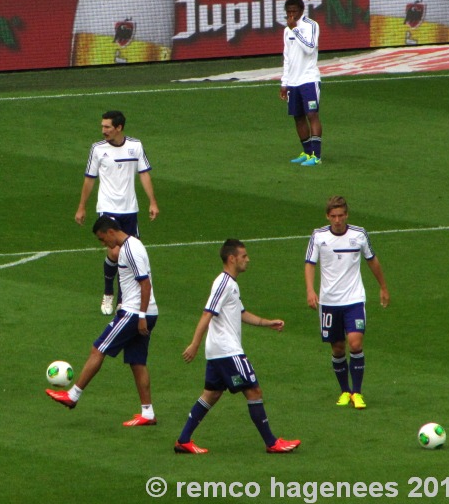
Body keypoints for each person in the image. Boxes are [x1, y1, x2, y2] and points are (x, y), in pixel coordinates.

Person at [174, 239, 301, 455]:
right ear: (232, 258)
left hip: (218, 352)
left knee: (211, 395)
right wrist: (194, 343)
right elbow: (207, 313)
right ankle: (272, 442)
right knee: (253, 390)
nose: (247, 260)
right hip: (227, 351)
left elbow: (241, 313)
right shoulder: (223, 283)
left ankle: (183, 440)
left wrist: (267, 322)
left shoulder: (231, 284)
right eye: (244, 256)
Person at [46, 215, 159, 426]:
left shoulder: (130, 249)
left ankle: (73, 395)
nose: (103, 243)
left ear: (110, 232)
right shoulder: (133, 245)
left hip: (135, 313)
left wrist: (141, 316)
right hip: (145, 312)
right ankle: (148, 413)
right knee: (137, 362)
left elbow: (145, 285)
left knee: (98, 349)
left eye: (102, 239)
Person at [304, 196, 390, 410]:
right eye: (333, 216)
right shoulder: (318, 236)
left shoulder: (359, 235)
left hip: (354, 299)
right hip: (329, 301)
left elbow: (372, 260)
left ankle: (358, 393)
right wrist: (310, 290)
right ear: (327, 216)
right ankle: (345, 391)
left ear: (347, 215)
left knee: (355, 343)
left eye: (341, 215)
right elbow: (309, 264)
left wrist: (383, 287)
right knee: (337, 347)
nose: (337, 220)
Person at [75, 110, 159, 315]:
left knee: (128, 254)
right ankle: (108, 293)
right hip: (107, 207)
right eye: (102, 126)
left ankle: (123, 300)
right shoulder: (97, 149)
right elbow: (89, 179)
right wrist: (82, 206)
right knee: (114, 251)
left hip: (130, 209)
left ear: (119, 128)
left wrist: (152, 202)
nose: (103, 130)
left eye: (107, 127)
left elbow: (144, 174)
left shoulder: (135, 146)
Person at [280, 0, 322, 167]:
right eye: (288, 12)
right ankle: (306, 152)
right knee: (298, 117)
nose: (291, 15)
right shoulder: (286, 30)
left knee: (311, 115)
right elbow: (287, 58)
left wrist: (295, 30)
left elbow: (310, 48)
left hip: (309, 79)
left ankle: (316, 156)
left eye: (294, 12)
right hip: (293, 82)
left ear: (302, 11)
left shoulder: (311, 25)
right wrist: (284, 82)